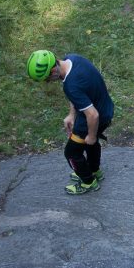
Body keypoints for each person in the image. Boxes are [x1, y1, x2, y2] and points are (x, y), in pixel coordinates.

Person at [27, 50, 114, 195]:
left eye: (47, 78)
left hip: (93, 118)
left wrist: (92, 135)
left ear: (53, 69)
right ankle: (94, 170)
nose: (48, 82)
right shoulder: (73, 58)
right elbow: (82, 93)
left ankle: (88, 182)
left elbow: (93, 115)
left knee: (72, 153)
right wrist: (71, 114)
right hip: (106, 109)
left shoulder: (71, 85)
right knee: (88, 143)